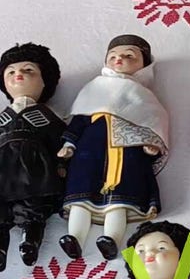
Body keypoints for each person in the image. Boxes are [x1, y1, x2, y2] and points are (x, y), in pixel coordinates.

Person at [58, 34, 169, 260]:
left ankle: (111, 240)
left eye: (129, 56)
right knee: (81, 198)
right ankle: (74, 238)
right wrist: (69, 143)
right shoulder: (93, 89)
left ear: (144, 65)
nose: (119, 59)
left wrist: (151, 146)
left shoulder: (144, 96)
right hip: (89, 153)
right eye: (113, 56)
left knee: (120, 201)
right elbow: (79, 120)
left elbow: (152, 122)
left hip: (127, 155)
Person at [0, 43, 65, 270]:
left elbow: (59, 139)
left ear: (44, 81)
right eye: (10, 72)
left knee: (33, 206)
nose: (18, 74)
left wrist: (62, 163)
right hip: (3, 168)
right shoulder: (4, 117)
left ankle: (30, 240)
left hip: (34, 167)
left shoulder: (44, 116)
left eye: (28, 70)